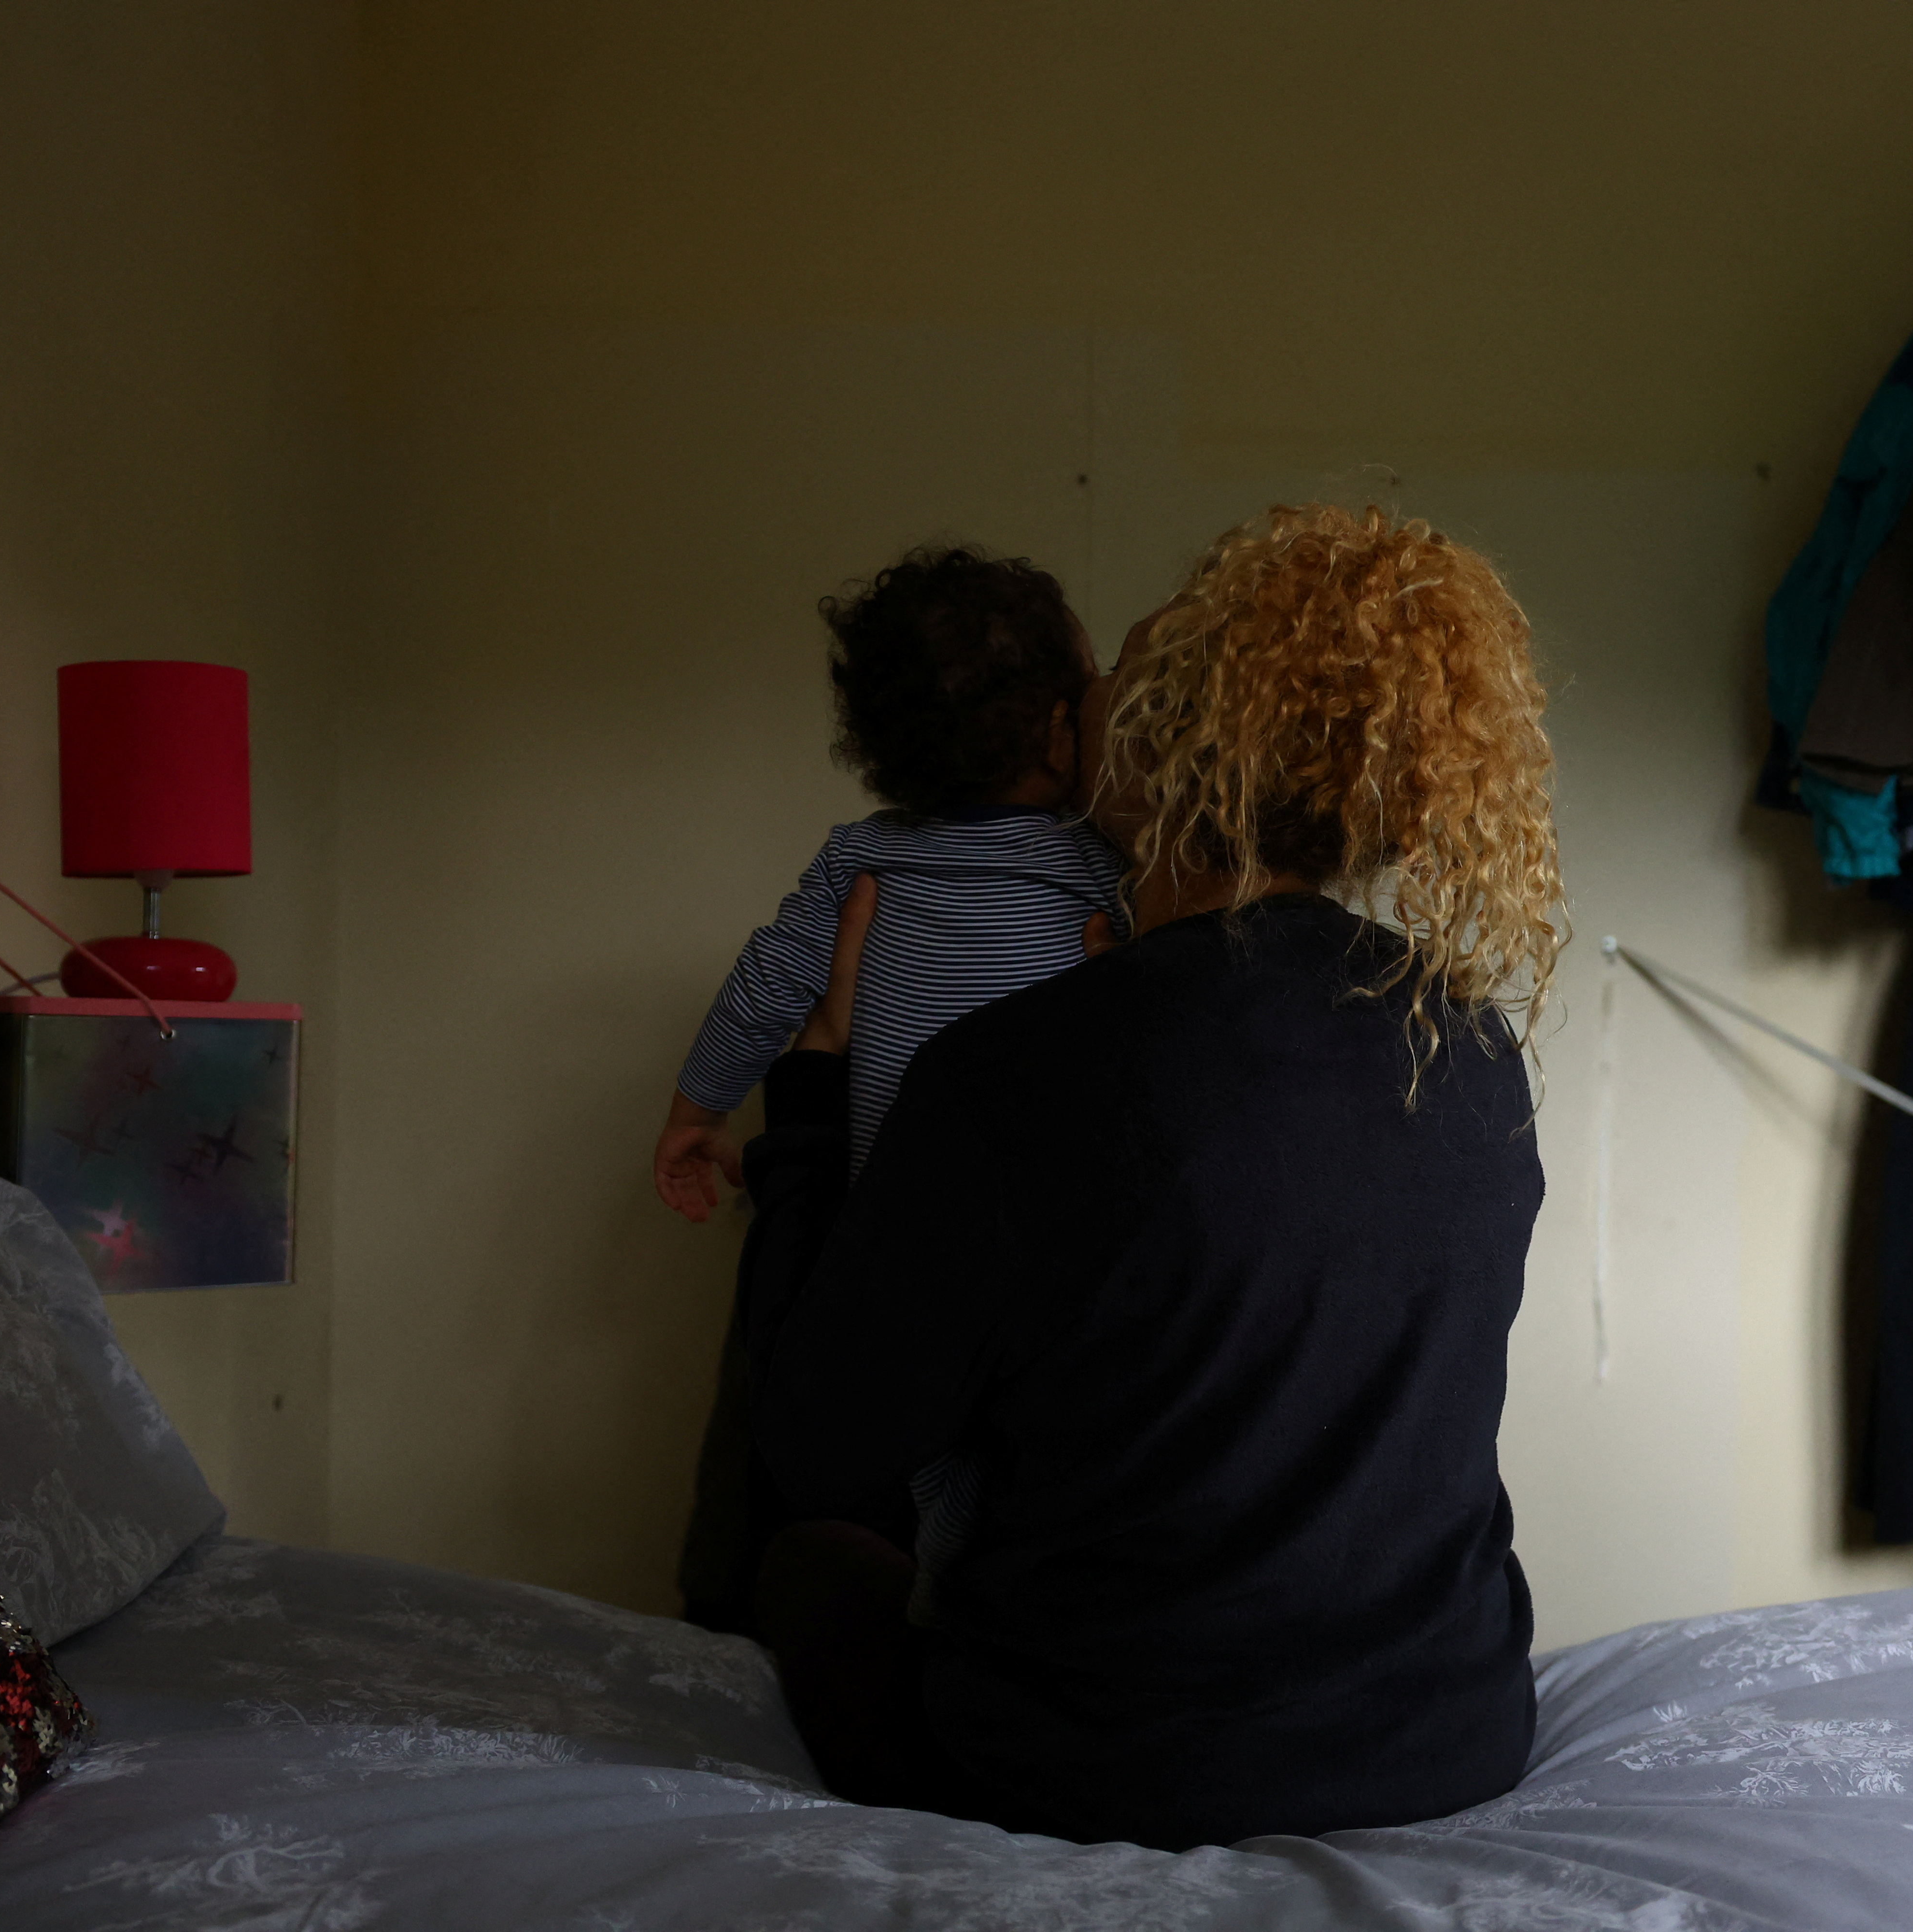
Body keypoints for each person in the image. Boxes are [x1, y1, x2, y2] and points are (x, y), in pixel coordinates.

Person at [738, 503, 1566, 1849]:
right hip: (1450, 1739)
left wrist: (814, 1096)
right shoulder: (1470, 1049)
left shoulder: (1021, 1071)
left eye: (1123, 678)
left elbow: (819, 1451)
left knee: (806, 1565)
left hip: (1109, 1771)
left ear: (1175, 748)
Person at [651, 544, 1129, 1218]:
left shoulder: (863, 858)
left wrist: (696, 1113)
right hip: (1053, 1220)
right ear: (1059, 733)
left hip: (891, 1218)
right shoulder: (1102, 862)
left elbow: (763, 990)